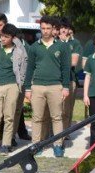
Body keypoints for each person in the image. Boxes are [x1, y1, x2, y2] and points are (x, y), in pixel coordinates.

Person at [24, 16, 70, 157]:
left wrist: (66, 87)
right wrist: (27, 88)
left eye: (48, 28)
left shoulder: (62, 46)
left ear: (53, 29)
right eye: (43, 28)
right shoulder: (34, 47)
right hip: (37, 86)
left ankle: (57, 145)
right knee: (37, 117)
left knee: (57, 117)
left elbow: (66, 68)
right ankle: (36, 145)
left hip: (56, 86)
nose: (45, 31)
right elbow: (29, 68)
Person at [0, 23, 27, 154]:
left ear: (13, 38)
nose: (2, 39)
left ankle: (6, 144)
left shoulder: (18, 51)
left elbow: (23, 67)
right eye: (2, 36)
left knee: (9, 116)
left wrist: (20, 83)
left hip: (12, 85)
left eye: (6, 37)